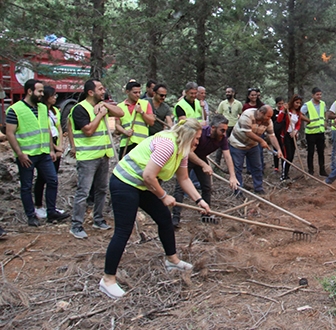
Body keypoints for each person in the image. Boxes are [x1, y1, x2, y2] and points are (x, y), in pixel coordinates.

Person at [100, 119, 211, 299]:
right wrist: (163, 196)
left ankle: (172, 260)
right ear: (189, 136)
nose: (198, 143)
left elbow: (183, 179)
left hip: (143, 186)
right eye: (197, 139)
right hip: (125, 182)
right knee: (123, 230)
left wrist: (199, 200)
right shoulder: (168, 145)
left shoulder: (183, 149)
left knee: (164, 219)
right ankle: (108, 280)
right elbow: (149, 176)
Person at [5, 79, 69, 226]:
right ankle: (31, 215)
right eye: (39, 91)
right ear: (29, 91)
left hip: (43, 153)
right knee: (26, 186)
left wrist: (51, 149)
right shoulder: (15, 110)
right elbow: (10, 133)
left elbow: (45, 129)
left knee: (52, 180)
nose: (42, 94)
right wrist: (20, 154)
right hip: (27, 155)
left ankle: (51, 212)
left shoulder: (42, 108)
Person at [69, 79, 124, 238]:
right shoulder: (79, 109)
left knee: (101, 189)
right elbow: (88, 130)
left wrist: (105, 106)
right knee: (84, 191)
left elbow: (120, 113)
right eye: (100, 89)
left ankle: (98, 219)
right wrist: (100, 114)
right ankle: (76, 225)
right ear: (90, 92)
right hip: (87, 157)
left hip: (103, 155)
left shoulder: (103, 106)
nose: (103, 91)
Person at [171, 115, 239, 227]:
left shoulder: (223, 138)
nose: (224, 133)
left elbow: (227, 156)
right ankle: (175, 218)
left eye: (226, 130)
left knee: (207, 186)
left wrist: (232, 176)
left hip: (201, 157)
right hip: (187, 157)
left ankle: (205, 215)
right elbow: (188, 151)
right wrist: (203, 165)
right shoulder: (200, 133)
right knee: (180, 187)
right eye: (222, 130)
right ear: (213, 128)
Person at [229, 105, 283, 195]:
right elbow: (247, 132)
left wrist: (278, 149)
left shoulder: (268, 121)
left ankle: (258, 188)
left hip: (253, 145)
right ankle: (238, 190)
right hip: (237, 145)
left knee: (257, 167)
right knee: (237, 168)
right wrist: (261, 141)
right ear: (261, 113)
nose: (270, 118)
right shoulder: (247, 115)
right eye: (268, 116)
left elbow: (272, 136)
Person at [33, 86, 68, 220]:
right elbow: (44, 131)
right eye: (53, 95)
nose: (55, 98)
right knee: (42, 178)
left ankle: (51, 207)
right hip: (46, 147)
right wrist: (53, 147)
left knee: (53, 178)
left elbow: (59, 128)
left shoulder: (54, 111)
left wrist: (60, 146)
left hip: (56, 146)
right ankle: (38, 206)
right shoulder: (40, 112)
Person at [115, 81, 155, 158]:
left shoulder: (145, 104)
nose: (138, 95)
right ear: (127, 92)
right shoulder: (119, 106)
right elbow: (117, 125)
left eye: (139, 92)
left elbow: (151, 122)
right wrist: (124, 131)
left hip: (141, 143)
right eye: (135, 92)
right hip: (126, 143)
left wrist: (142, 112)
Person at [276, 95, 309, 181]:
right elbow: (279, 120)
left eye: (299, 103)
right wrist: (283, 110)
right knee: (287, 155)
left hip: (293, 135)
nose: (298, 104)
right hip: (285, 135)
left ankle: (286, 174)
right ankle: (283, 175)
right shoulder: (286, 109)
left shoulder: (298, 112)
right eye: (296, 102)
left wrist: (295, 131)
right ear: (292, 102)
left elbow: (298, 124)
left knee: (291, 156)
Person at [302, 87, 328, 176]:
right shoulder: (307, 105)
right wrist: (308, 120)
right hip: (311, 132)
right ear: (312, 95)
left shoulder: (323, 104)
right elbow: (300, 114)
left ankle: (322, 170)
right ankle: (311, 170)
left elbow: (325, 113)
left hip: (320, 131)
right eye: (317, 94)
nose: (319, 96)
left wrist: (325, 121)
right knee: (311, 152)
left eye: (320, 94)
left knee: (321, 152)